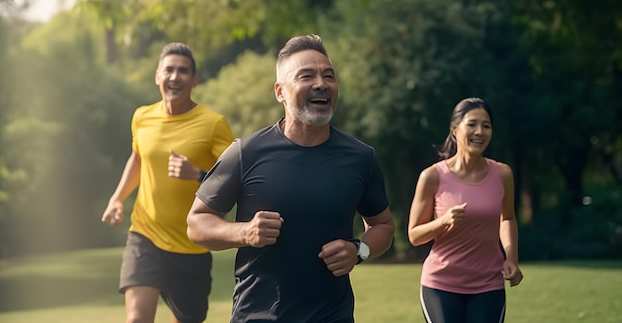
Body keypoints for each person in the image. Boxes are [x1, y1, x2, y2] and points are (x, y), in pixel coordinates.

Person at [186, 34, 395, 322]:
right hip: (257, 316)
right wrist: (244, 232)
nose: (321, 84)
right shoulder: (246, 152)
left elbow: (383, 224)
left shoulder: (361, 157)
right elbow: (197, 223)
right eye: (306, 76)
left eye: (329, 76)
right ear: (280, 91)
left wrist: (359, 250)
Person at [101, 42, 235, 323]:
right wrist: (117, 198)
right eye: (169, 70)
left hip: (192, 244)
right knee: (136, 318)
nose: (175, 77)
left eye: (183, 71)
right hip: (145, 234)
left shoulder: (213, 124)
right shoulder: (142, 117)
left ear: (194, 80)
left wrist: (197, 174)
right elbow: (138, 160)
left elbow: (235, 178)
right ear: (157, 76)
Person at [407, 97, 523, 322]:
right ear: (454, 130)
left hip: (488, 284)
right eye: (472, 124)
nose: (479, 131)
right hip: (441, 284)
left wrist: (511, 258)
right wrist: (444, 221)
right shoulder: (432, 176)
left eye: (486, 126)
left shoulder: (503, 174)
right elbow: (414, 235)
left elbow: (507, 218)